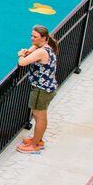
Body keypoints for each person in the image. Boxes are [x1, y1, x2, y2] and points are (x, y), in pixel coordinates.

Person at [18, 24, 60, 153]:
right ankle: (37, 139)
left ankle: (35, 144)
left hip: (41, 89)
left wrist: (21, 54)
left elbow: (22, 63)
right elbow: (33, 47)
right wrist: (29, 50)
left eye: (35, 37)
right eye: (32, 35)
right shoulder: (45, 47)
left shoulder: (42, 51)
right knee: (38, 116)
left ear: (44, 38)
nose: (32, 38)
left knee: (39, 116)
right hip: (46, 88)